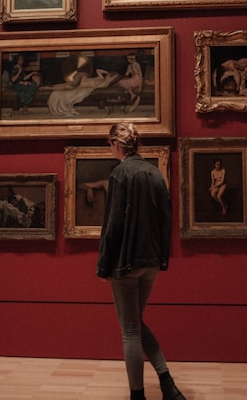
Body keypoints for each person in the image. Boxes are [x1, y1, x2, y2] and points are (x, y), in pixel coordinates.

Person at [96, 123, 186, 400]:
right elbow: (165, 221)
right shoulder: (155, 173)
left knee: (130, 330)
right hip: (150, 263)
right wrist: (162, 259)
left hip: (125, 262)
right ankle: (167, 383)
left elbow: (113, 225)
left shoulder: (121, 173)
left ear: (116, 144)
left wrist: (104, 264)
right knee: (136, 322)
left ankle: (138, 395)